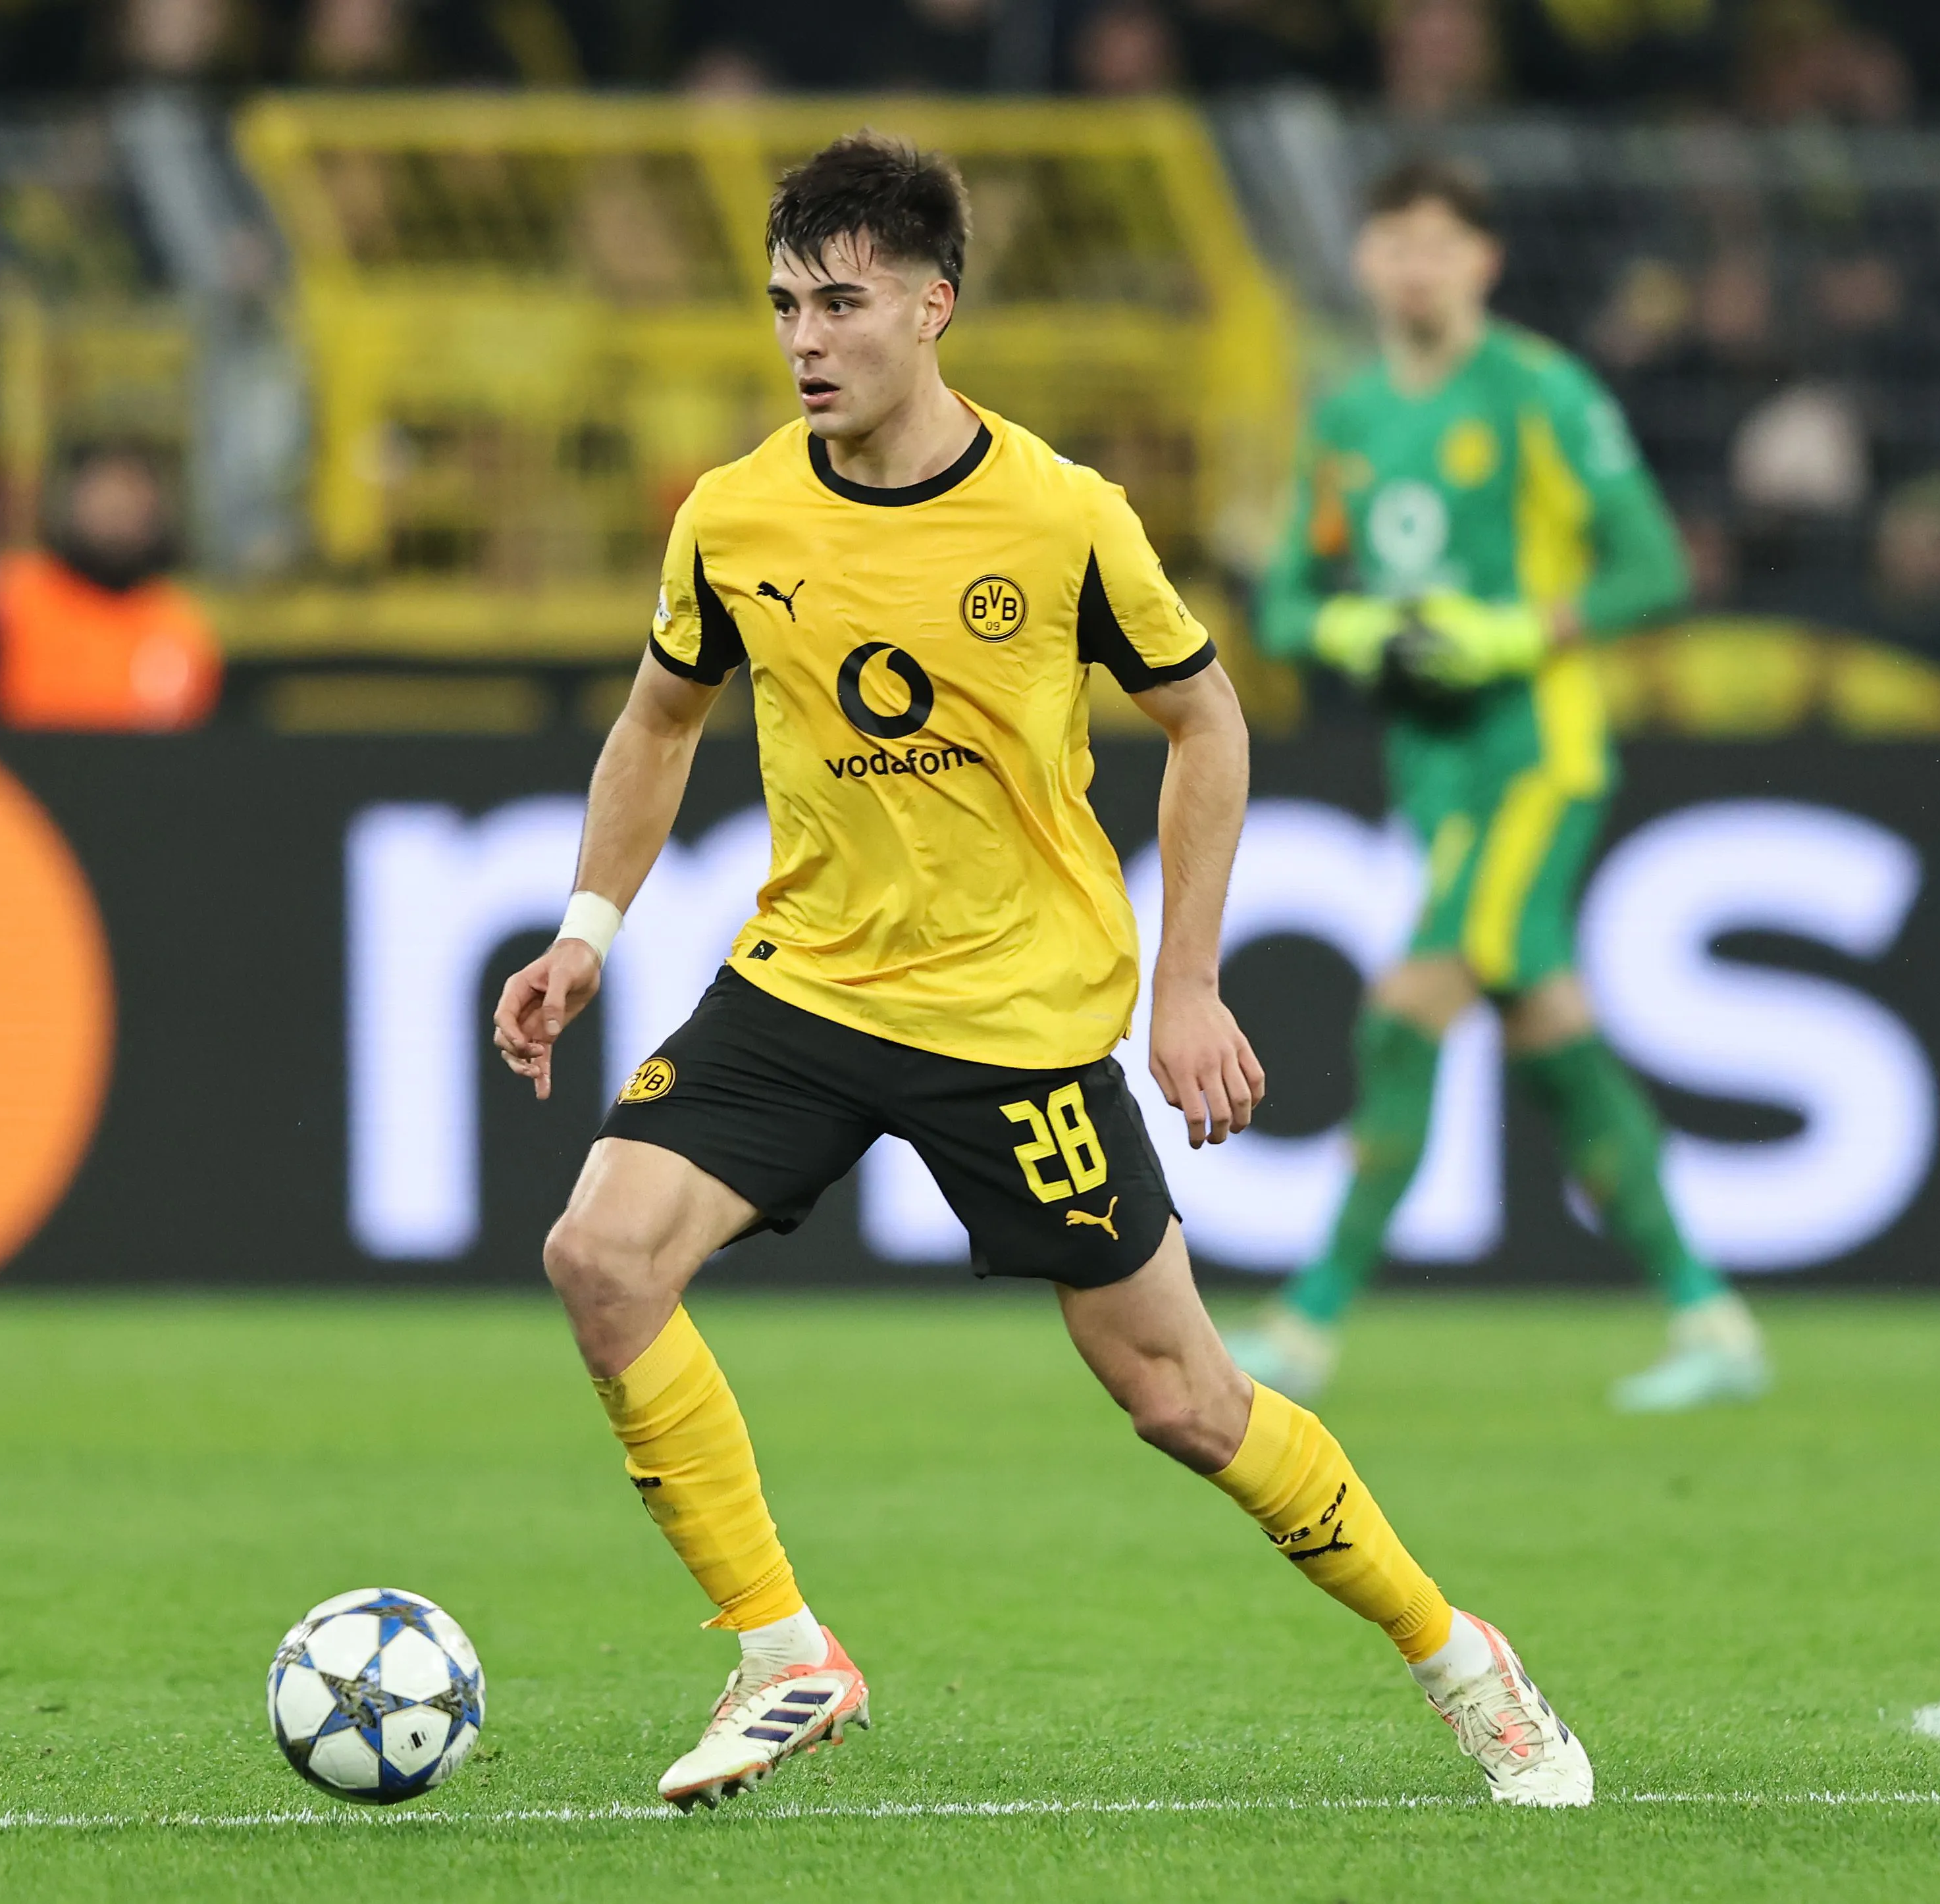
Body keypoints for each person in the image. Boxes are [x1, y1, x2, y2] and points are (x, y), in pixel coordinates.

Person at [490, 132, 1593, 1815]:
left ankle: (1465, 1662)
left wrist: (1190, 982)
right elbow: (659, 720)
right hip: (807, 985)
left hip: (1017, 1021)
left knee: (1183, 1398)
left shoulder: (1066, 516)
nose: (806, 338)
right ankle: (787, 1651)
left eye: (843, 302)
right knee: (601, 1255)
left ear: (936, 307)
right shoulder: (732, 515)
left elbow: (1204, 720)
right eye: (785, 301)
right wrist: (587, 932)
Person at [1230, 157, 1768, 1414]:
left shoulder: (1539, 391)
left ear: (1484, 261)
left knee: (1406, 1009)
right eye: (1394, 241)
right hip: (1432, 766)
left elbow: (1653, 569)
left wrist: (1515, 634)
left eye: (1440, 242)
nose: (1415, 265)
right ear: (1365, 262)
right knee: (1552, 1038)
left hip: (1538, 753)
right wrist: (1358, 633)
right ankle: (1711, 1314)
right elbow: (1290, 601)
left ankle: (1307, 1322)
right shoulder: (1349, 419)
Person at [0, 444, 219, 731]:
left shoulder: (179, 624)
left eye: (130, 496)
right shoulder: (13, 599)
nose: (116, 511)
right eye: (103, 494)